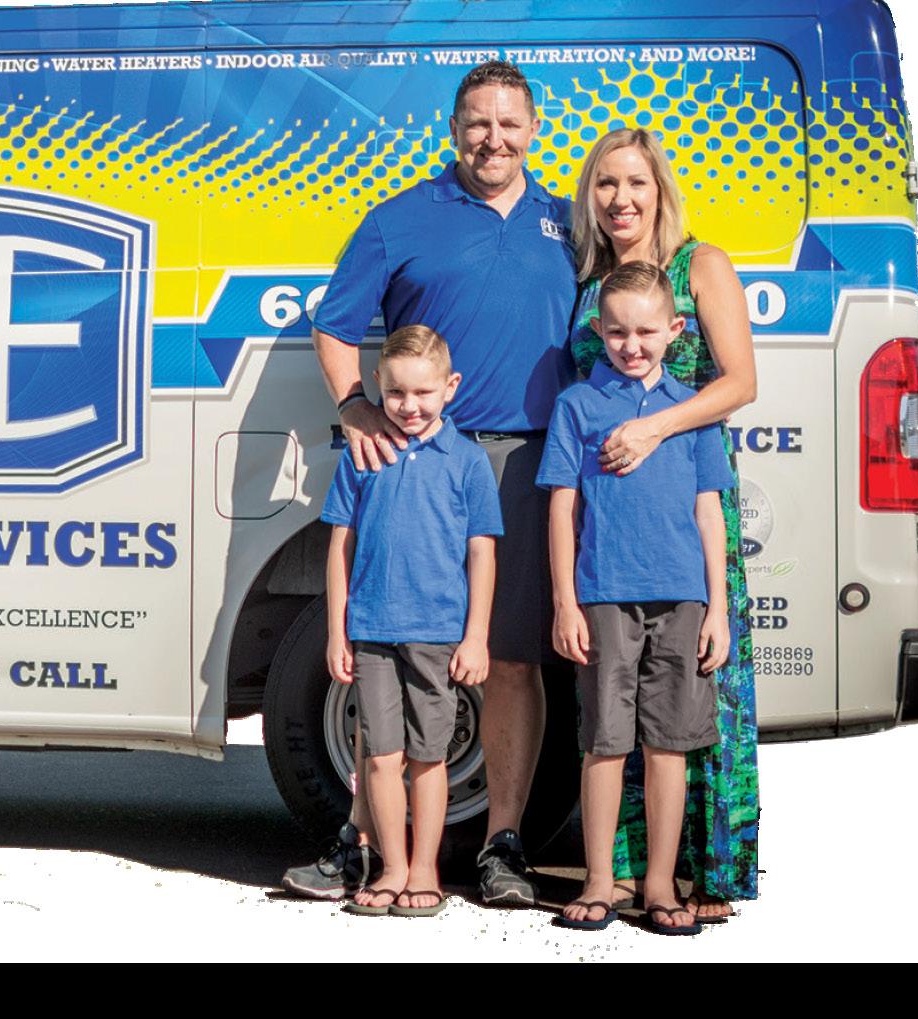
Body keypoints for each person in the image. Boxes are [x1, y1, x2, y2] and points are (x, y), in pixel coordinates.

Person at [282, 59, 577, 905]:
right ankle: (361, 843)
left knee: (509, 659)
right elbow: (335, 326)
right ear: (453, 130)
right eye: (477, 123)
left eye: (509, 123)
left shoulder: (567, 223)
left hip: (523, 465)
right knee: (381, 651)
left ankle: (502, 845)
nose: (493, 138)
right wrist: (355, 407)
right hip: (418, 463)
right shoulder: (399, 218)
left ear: (533, 130)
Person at [567, 127, 759, 921]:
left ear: (659, 191)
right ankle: (617, 874)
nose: (620, 199)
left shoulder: (698, 265)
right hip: (608, 530)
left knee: (696, 697)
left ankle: (697, 874)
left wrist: (653, 427)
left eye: (635, 182)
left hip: (685, 508)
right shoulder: (589, 283)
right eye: (605, 183)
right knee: (611, 714)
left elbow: (739, 382)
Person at [539, 262, 733, 935]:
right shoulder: (577, 406)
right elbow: (561, 508)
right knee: (604, 742)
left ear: (675, 330)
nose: (631, 345)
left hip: (682, 600)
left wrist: (717, 608)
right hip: (603, 597)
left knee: (668, 747)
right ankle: (599, 880)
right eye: (618, 331)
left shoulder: (691, 410)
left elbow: (708, 513)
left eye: (646, 331)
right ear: (598, 330)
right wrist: (565, 601)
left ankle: (658, 883)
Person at [322, 325, 502, 917]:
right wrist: (337, 630)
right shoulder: (361, 455)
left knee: (429, 756)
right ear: (377, 383)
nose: (409, 405)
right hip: (372, 631)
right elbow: (340, 548)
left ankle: (425, 869)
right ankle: (392, 866)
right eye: (397, 392)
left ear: (450, 387)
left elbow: (482, 554)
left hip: (438, 634)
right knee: (379, 755)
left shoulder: (468, 461)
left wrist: (476, 635)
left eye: (424, 393)